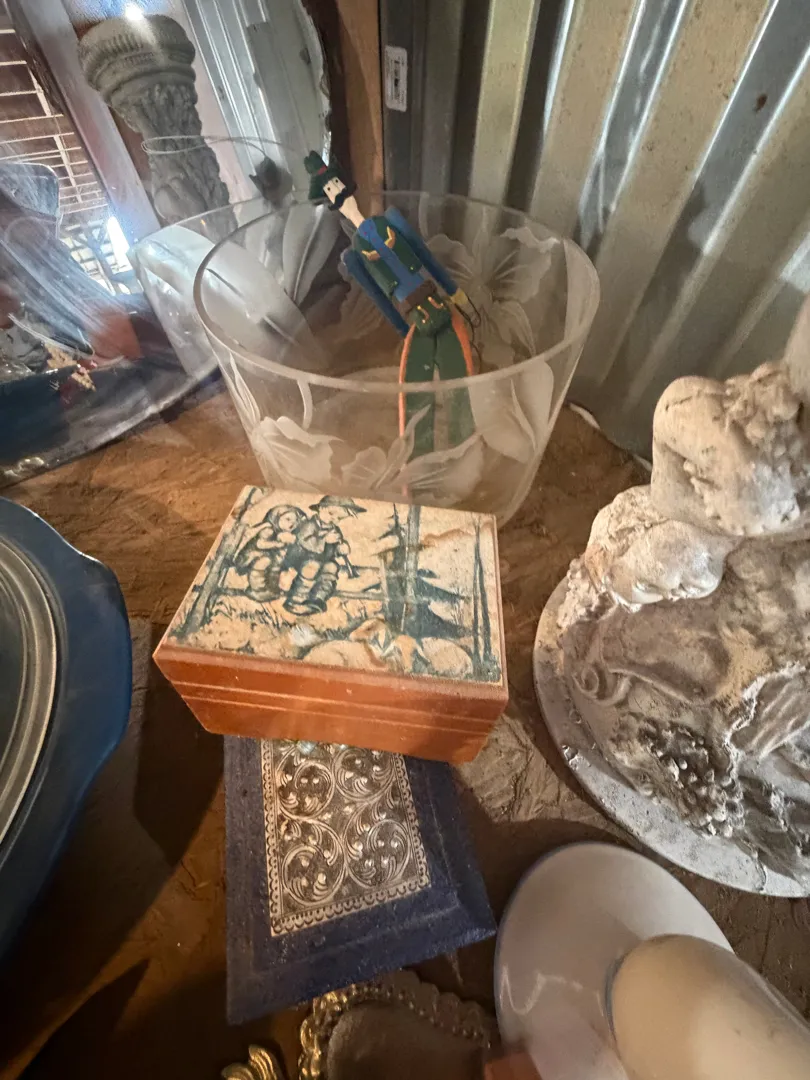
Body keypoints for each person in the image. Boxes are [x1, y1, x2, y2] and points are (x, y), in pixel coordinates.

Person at [283, 495, 366, 616]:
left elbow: (331, 550)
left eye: (339, 518)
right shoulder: (309, 525)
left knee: (332, 567)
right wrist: (324, 540)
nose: (334, 519)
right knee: (312, 566)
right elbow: (304, 542)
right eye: (331, 514)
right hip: (301, 559)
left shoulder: (334, 529)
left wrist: (339, 549)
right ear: (321, 509)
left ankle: (317, 599)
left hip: (322, 561)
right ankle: (296, 600)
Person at [235, 505, 307, 602]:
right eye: (287, 519)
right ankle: (257, 589)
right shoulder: (268, 530)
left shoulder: (282, 533)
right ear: (276, 517)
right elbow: (260, 544)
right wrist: (277, 544)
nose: (291, 524)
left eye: (295, 523)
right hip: (250, 556)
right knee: (265, 561)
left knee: (276, 561)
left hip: (265, 556)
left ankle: (270, 588)